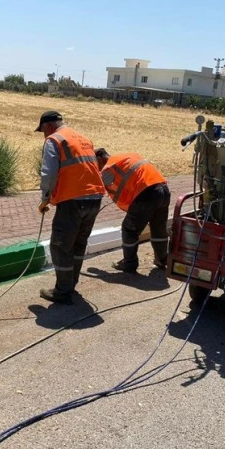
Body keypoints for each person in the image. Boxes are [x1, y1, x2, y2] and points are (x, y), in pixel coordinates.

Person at [36, 111, 105, 304]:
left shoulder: (54, 140)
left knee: (61, 246)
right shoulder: (83, 138)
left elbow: (48, 173)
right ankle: (71, 284)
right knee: (78, 244)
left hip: (73, 201)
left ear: (48, 126)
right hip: (94, 198)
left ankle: (63, 292)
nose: (44, 135)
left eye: (42, 130)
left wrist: (45, 199)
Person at [94, 148, 170, 273]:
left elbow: (100, 188)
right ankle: (162, 260)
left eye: (95, 165)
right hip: (163, 189)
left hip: (146, 193)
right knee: (158, 228)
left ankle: (129, 263)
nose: (96, 169)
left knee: (129, 229)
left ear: (99, 159)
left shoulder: (108, 168)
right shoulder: (126, 157)